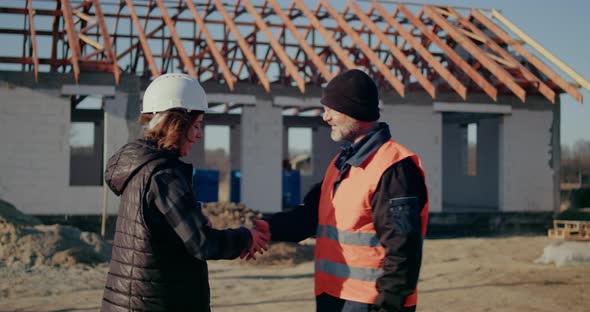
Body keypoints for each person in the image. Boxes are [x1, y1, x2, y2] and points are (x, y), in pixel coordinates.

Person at [254, 69, 429, 312]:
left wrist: (388, 304)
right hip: (335, 297)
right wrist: (270, 227)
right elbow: (311, 216)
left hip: (370, 304)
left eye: (330, 110)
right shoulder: (341, 163)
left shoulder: (394, 168)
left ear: (353, 110)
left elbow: (403, 250)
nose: (324, 117)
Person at [100, 73, 269, 312]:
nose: (199, 134)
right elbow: (202, 244)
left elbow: (161, 231)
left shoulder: (142, 167)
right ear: (178, 124)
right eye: (197, 125)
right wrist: (246, 237)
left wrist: (195, 219)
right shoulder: (164, 175)